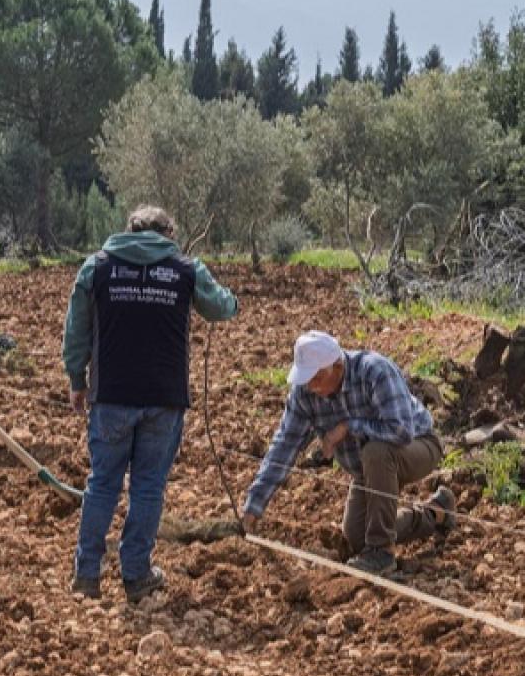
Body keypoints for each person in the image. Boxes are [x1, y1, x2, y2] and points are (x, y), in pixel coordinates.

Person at [63, 205, 239, 603]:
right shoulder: (185, 269)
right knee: (147, 487)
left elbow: (76, 329)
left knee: (102, 484)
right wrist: (230, 298)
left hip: (111, 394)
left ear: (130, 231)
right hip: (164, 397)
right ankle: (136, 574)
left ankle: (87, 575)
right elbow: (221, 308)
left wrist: (77, 379)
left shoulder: (97, 267)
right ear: (168, 235)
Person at [242, 331, 457, 574]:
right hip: (368, 470)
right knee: (357, 539)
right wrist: (253, 507)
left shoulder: (374, 371)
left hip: (418, 446)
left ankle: (382, 553)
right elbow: (284, 446)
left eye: (317, 378)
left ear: (337, 365)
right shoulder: (305, 393)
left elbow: (401, 431)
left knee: (375, 451)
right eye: (307, 379)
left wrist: (348, 426)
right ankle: (437, 512)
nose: (312, 387)